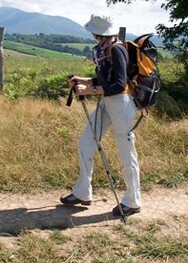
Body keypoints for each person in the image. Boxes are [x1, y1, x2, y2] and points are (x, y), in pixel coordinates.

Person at [60, 14, 142, 217]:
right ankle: (82, 192)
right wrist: (86, 81)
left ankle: (132, 201)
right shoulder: (105, 49)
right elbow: (104, 78)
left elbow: (118, 84)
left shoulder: (116, 49)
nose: (93, 36)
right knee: (86, 142)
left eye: (94, 33)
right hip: (107, 103)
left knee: (126, 153)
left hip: (121, 105)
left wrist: (88, 90)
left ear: (100, 33)